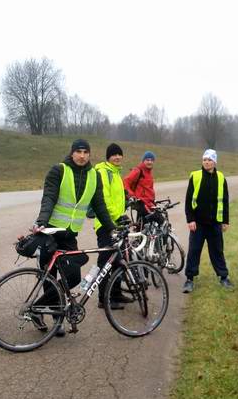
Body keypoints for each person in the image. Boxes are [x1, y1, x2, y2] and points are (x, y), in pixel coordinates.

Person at [30, 139, 116, 337]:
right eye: (78, 151)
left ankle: (38, 307)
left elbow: (100, 205)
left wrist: (111, 228)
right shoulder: (58, 170)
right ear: (72, 153)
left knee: (74, 276)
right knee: (49, 276)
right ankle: (54, 317)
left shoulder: (94, 175)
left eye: (86, 152)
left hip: (70, 235)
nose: (82, 155)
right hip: (50, 231)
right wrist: (42, 220)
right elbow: (49, 197)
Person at [182, 149, 233, 293]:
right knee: (194, 250)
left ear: (215, 162)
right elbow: (188, 200)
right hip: (198, 223)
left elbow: (225, 200)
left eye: (209, 160)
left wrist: (225, 221)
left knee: (217, 251)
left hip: (215, 223)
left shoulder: (221, 178)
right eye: (204, 159)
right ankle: (189, 279)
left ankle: (223, 277)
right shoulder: (196, 176)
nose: (206, 162)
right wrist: (190, 219)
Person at [93, 143, 133, 309]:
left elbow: (117, 198)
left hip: (117, 224)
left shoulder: (116, 173)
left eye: (119, 154)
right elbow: (104, 199)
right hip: (105, 224)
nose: (117, 157)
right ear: (108, 157)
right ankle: (103, 298)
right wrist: (118, 216)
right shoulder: (104, 172)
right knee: (105, 262)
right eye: (113, 155)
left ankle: (115, 293)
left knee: (118, 260)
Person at [123, 151, 156, 224]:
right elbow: (125, 182)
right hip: (141, 203)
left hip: (149, 203)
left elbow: (149, 189)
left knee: (144, 227)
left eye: (151, 160)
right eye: (147, 160)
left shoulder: (149, 173)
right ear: (143, 161)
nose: (149, 162)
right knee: (159, 220)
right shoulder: (138, 170)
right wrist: (132, 195)